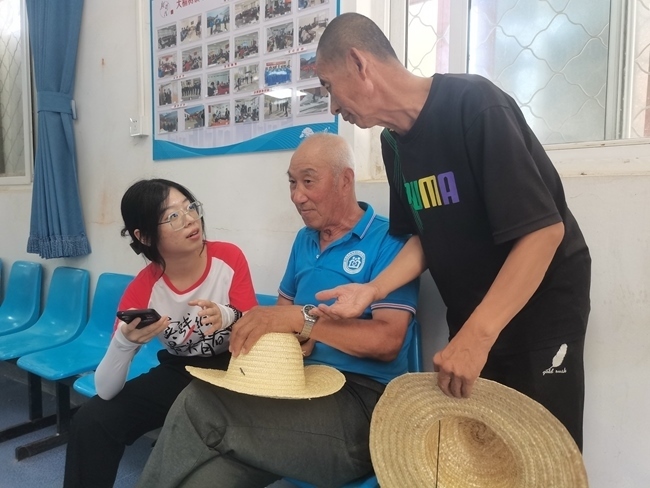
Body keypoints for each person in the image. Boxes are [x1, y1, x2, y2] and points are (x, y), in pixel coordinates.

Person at [314, 13, 591, 450]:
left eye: (328, 86)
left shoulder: (474, 105)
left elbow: (543, 233)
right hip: (472, 312)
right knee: (486, 454)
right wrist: (372, 289)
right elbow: (422, 237)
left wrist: (477, 336)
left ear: (359, 63)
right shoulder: (393, 144)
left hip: (540, 307)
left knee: (545, 452)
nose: (332, 106)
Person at [135, 133, 419, 487]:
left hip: (361, 410)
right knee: (203, 480)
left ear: (345, 180)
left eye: (308, 182)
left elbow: (388, 341)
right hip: (294, 390)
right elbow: (282, 320)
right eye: (292, 183)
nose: (297, 196)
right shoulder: (305, 240)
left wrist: (304, 321)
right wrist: (291, 331)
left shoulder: (389, 240)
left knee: (198, 403)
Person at [63, 179, 257, 488]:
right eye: (173, 216)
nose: (190, 219)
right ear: (143, 236)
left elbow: (255, 328)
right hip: (181, 372)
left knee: (193, 420)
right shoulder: (143, 289)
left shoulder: (228, 259)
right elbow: (106, 389)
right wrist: (123, 343)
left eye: (190, 207)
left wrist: (229, 315)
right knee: (93, 419)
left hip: (235, 369)